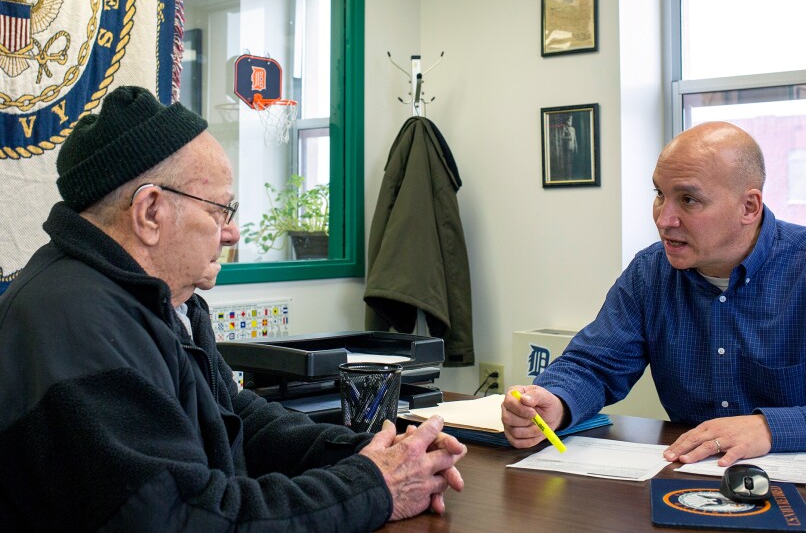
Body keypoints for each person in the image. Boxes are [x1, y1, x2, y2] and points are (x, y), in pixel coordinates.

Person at [0, 86, 465, 531]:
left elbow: (239, 421)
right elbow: (182, 517)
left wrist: (372, 451)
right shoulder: (74, 324)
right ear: (149, 213)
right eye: (220, 210)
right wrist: (374, 485)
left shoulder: (165, 302)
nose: (232, 233)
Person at [502, 121, 806, 467]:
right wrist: (555, 401)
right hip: (689, 478)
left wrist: (769, 429)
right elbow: (595, 364)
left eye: (688, 200)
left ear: (749, 206)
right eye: (660, 195)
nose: (664, 219)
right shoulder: (651, 272)